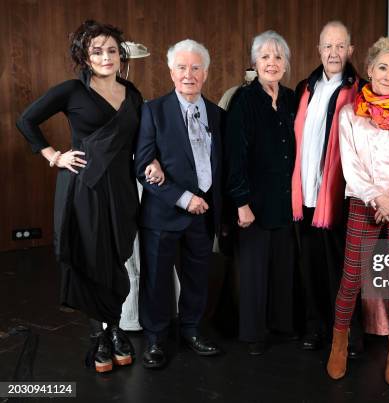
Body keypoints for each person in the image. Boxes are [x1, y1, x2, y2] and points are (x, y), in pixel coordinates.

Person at [16, 20, 162, 373]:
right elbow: (26, 120)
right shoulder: (71, 91)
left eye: (112, 50)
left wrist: (153, 159)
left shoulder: (133, 93)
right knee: (92, 258)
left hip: (122, 188)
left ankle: (113, 328)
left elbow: (141, 140)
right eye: (97, 51)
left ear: (120, 54)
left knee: (116, 258)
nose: (106, 56)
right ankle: (101, 334)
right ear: (84, 55)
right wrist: (54, 156)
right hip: (84, 187)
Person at [326, 37, 389, 386]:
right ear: (369, 69)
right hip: (364, 203)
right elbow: (350, 165)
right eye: (382, 67)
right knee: (352, 278)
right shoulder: (350, 115)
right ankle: (338, 343)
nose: (388, 75)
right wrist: (376, 198)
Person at [134, 38, 225, 369]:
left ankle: (191, 330)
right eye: (182, 68)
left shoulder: (217, 114)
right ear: (171, 72)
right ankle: (156, 339)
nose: (189, 74)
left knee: (198, 278)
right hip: (163, 215)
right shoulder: (152, 110)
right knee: (156, 281)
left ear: (206, 72)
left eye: (196, 68)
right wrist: (184, 199)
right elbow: (143, 166)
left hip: (204, 217)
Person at [292, 20, 364, 354]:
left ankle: (346, 333)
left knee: (342, 271)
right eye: (327, 46)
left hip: (338, 197)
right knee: (311, 269)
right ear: (319, 50)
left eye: (340, 46)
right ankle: (316, 327)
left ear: (350, 51)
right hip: (305, 194)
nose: (333, 53)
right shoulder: (304, 88)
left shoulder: (361, 90)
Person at [225, 30, 297, 356]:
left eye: (278, 57)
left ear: (286, 63)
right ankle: (253, 334)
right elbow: (234, 156)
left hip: (285, 200)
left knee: (282, 267)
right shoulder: (244, 100)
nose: (272, 63)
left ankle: (281, 325)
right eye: (265, 57)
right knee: (253, 272)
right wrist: (241, 202)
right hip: (252, 202)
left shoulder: (292, 99)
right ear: (255, 62)